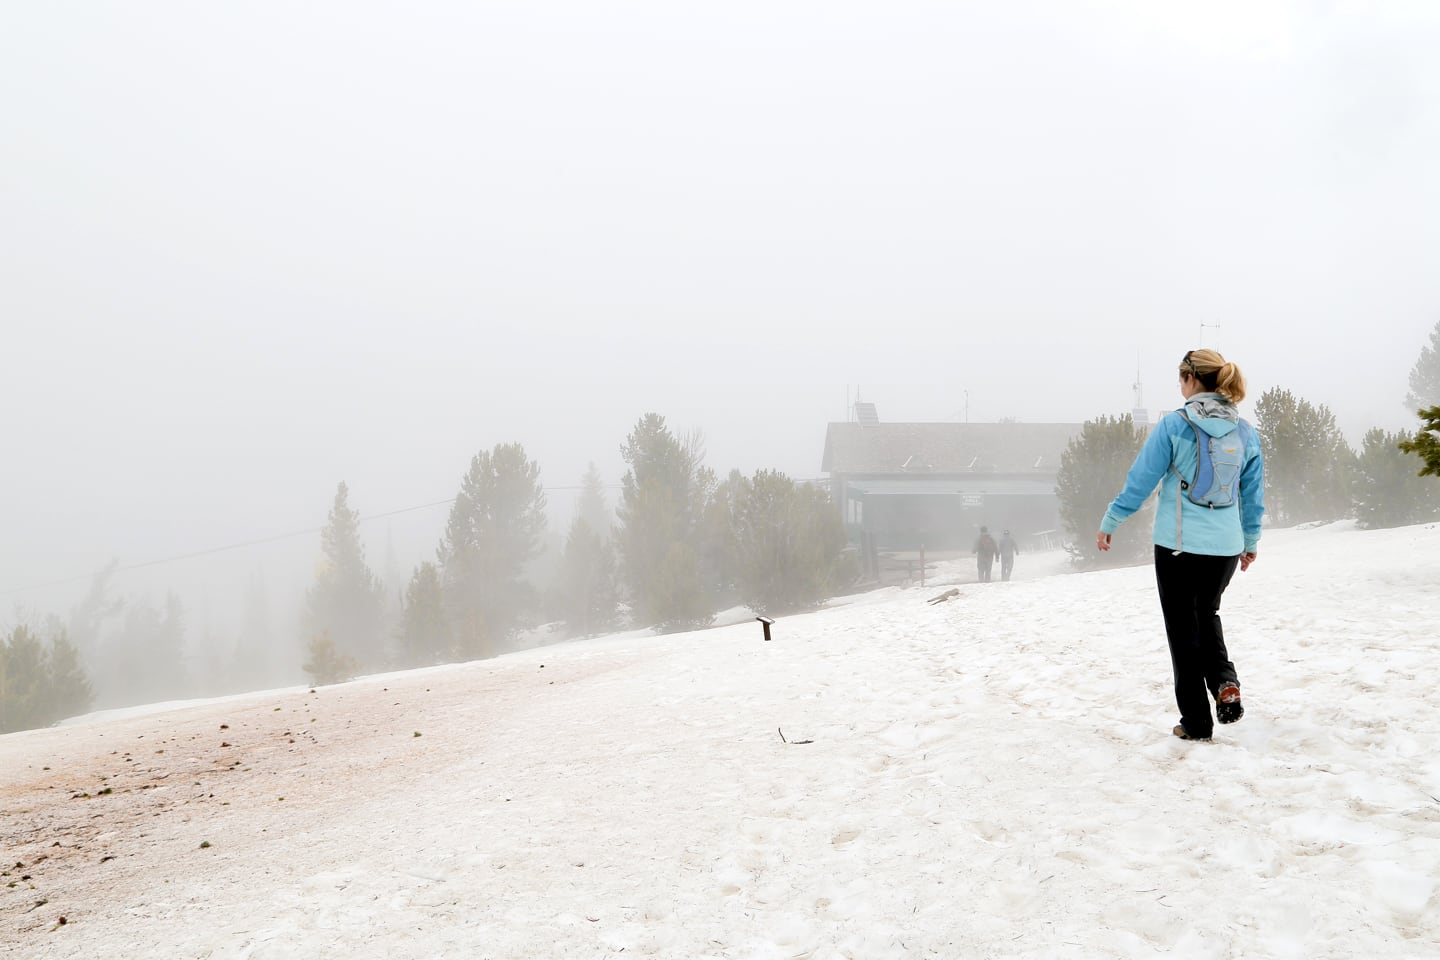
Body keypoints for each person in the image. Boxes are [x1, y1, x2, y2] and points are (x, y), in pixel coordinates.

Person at [1096, 349, 1265, 742]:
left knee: (1182, 631)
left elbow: (1141, 480)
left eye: (1180, 378)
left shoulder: (1175, 425)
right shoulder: (1246, 433)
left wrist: (1111, 520)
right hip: (1225, 546)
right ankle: (1225, 681)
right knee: (1206, 614)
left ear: (1191, 379)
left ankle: (1196, 723)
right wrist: (1250, 540)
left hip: (1178, 546)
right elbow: (1253, 495)